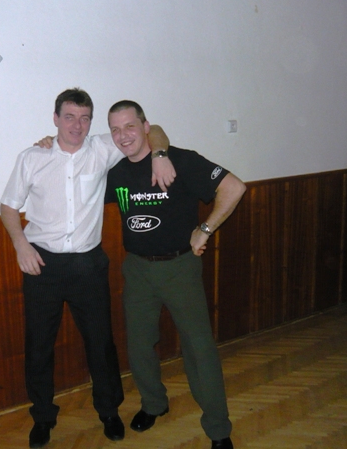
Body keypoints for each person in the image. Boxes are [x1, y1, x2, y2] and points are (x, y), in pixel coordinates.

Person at [0, 88, 175, 448]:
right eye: (69, 117)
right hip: (41, 264)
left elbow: (153, 129)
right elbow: (8, 205)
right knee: (38, 346)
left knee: (100, 343)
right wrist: (20, 245)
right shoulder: (32, 157)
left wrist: (159, 155)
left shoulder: (103, 148)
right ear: (55, 119)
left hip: (88, 265)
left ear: (91, 122)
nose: (77, 125)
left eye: (84, 118)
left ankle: (108, 411)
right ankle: (43, 417)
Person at [104, 101, 246, 449]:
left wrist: (205, 229)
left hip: (179, 267)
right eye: (115, 129)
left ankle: (218, 428)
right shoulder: (115, 172)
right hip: (137, 268)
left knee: (200, 348)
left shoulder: (179, 161)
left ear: (145, 126)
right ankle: (154, 404)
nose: (123, 135)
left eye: (130, 126)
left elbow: (235, 187)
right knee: (139, 344)